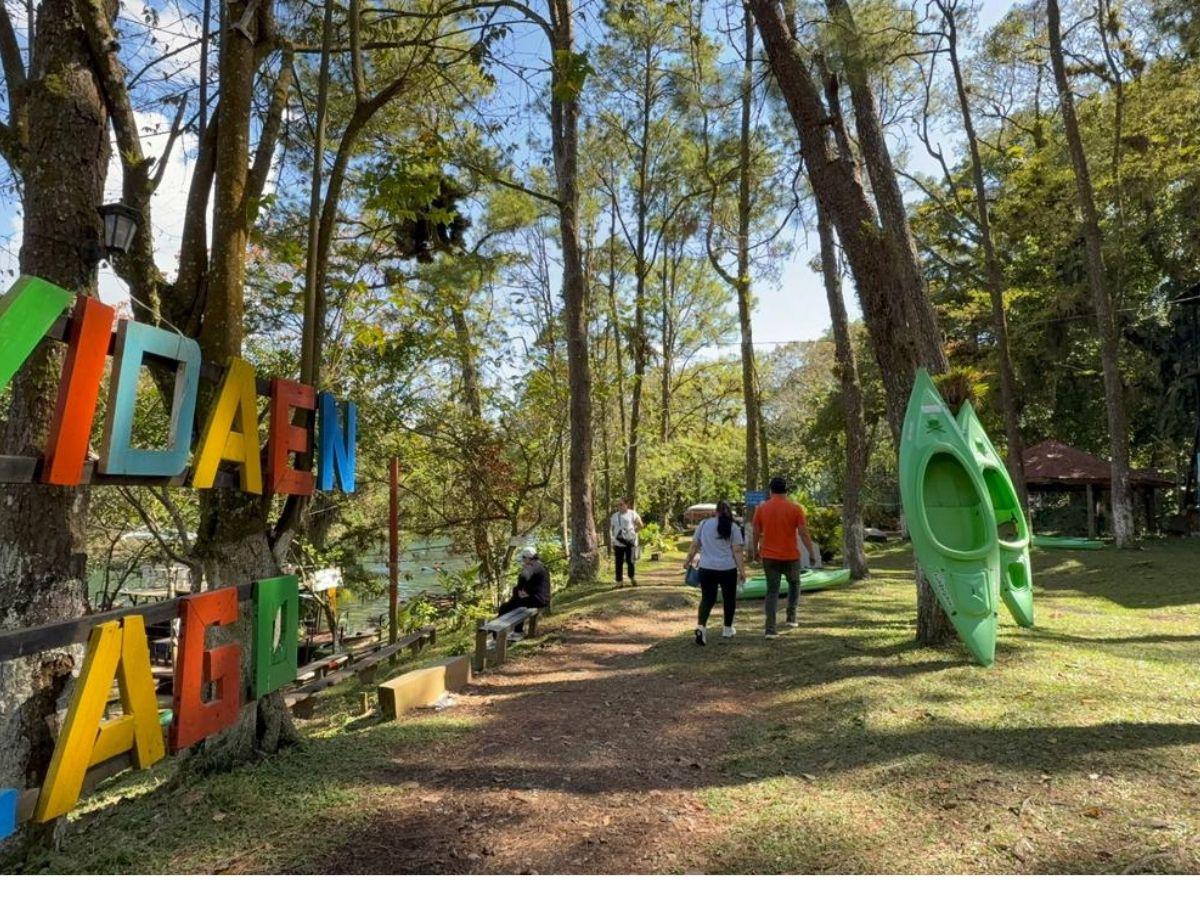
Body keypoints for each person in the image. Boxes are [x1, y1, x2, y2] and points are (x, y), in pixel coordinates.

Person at [751, 476, 819, 638]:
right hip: (790, 556)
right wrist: (811, 553)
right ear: (786, 491)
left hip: (769, 556)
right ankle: (791, 617)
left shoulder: (761, 509)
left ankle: (770, 629)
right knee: (795, 583)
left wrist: (755, 552)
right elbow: (803, 533)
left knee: (772, 591)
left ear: (770, 491)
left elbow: (755, 532)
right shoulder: (795, 509)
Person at [683, 500, 747, 645]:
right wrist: (742, 570)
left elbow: (695, 545)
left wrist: (688, 561)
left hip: (707, 568)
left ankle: (701, 627)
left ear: (715, 511)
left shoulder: (704, 524)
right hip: (727, 569)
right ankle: (727, 628)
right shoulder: (733, 527)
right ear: (729, 512)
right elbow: (737, 551)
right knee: (729, 599)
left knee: (707, 599)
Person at [497, 547, 551, 625]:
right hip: (541, 598)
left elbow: (522, 583)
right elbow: (524, 585)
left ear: (528, 558)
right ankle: (516, 631)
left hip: (538, 599)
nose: (523, 560)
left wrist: (522, 592)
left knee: (507, 607)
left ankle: (502, 630)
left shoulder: (532, 567)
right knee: (513, 604)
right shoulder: (539, 565)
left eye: (523, 558)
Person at [609, 498, 644, 587]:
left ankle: (632, 577)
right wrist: (613, 539)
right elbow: (612, 528)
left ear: (626, 505)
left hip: (629, 542)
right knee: (618, 562)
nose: (619, 507)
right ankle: (619, 582)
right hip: (618, 542)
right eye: (618, 505)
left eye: (621, 504)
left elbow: (640, 525)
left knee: (630, 561)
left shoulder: (632, 513)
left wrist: (633, 533)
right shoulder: (614, 516)